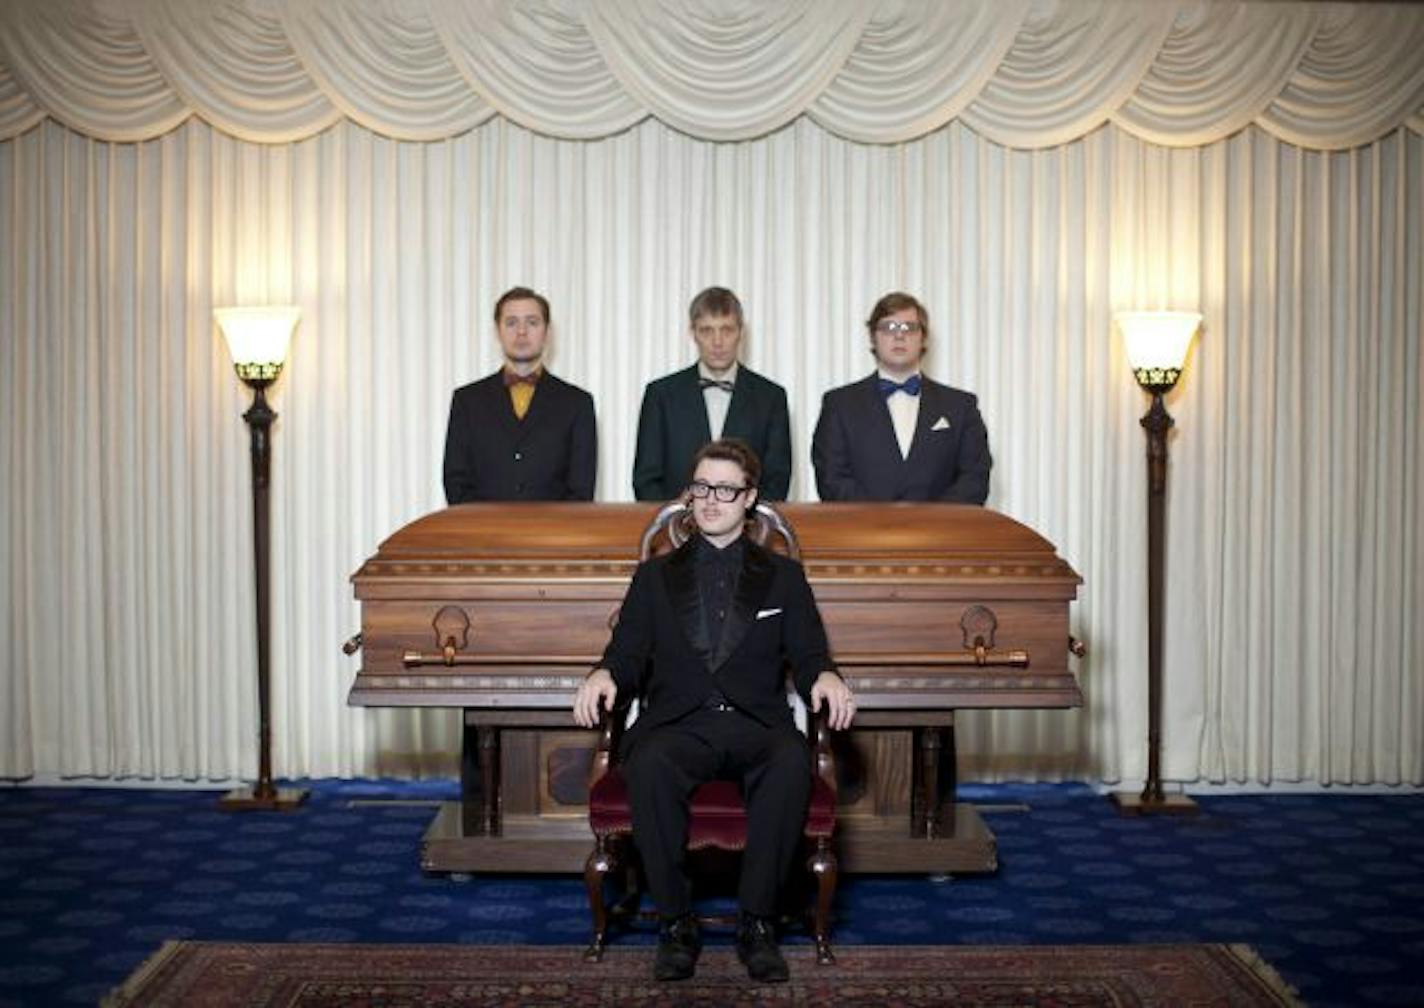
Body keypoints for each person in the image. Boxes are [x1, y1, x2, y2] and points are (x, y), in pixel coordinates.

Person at [574, 439, 855, 983]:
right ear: (689, 494)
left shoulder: (784, 578)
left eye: (725, 489)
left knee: (791, 763)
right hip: (681, 724)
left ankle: (758, 925)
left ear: (749, 498)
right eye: (701, 487)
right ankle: (677, 924)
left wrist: (826, 676)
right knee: (649, 763)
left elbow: (810, 653)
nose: (710, 500)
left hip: (757, 724)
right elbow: (627, 651)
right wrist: (605, 673)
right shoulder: (654, 577)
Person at [811, 291, 991, 503]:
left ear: (923, 338)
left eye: (909, 327)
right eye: (889, 327)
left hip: (941, 533)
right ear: (873, 337)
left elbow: (974, 479)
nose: (899, 335)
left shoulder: (961, 407)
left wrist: (931, 522)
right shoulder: (839, 405)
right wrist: (883, 521)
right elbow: (831, 479)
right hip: (862, 532)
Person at [632, 287, 793, 501]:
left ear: (741, 332)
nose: (718, 342)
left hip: (749, 532)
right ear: (693, 333)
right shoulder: (660, 395)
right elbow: (646, 479)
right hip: (676, 530)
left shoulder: (771, 397)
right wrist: (674, 522)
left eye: (726, 330)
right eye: (707, 330)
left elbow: (777, 480)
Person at [443, 287, 596, 502]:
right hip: (482, 533)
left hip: (552, 533)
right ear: (497, 331)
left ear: (547, 332)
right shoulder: (467, 401)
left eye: (532, 322)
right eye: (511, 322)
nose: (522, 331)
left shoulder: (577, 403)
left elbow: (581, 490)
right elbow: (456, 481)